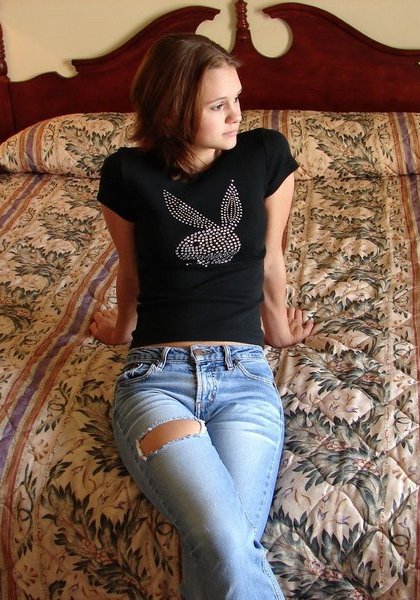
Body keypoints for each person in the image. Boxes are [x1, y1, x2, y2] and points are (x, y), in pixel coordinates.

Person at [90, 33, 313, 600]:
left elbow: (271, 256)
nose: (237, 115)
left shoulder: (264, 153)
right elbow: (131, 271)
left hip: (244, 378)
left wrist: (277, 328)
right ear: (170, 111)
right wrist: (119, 329)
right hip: (156, 381)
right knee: (223, 538)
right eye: (218, 105)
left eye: (237, 98)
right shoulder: (125, 172)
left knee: (222, 545)